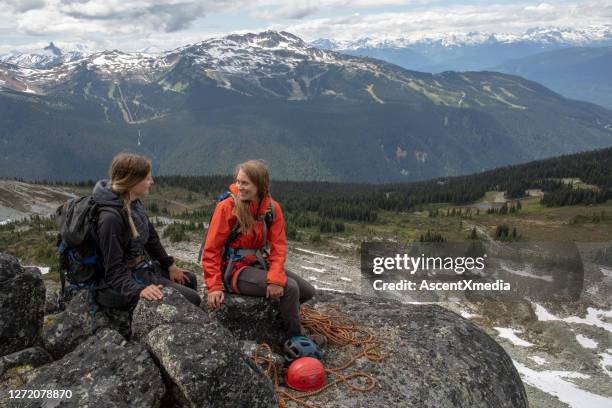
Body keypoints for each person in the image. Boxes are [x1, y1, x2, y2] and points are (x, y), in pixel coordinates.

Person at [202, 160, 315, 339]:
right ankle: (294, 338)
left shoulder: (271, 208)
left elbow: (279, 246)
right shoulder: (227, 207)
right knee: (291, 289)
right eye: (238, 181)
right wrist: (214, 286)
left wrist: (275, 278)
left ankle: (279, 317)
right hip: (233, 269)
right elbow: (211, 250)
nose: (239, 186)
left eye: (245, 183)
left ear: (260, 185)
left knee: (308, 291)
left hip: (258, 262)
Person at [92, 153, 201, 307]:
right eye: (147, 178)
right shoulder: (110, 218)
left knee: (189, 279)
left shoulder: (134, 203)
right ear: (133, 181)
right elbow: (113, 270)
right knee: (192, 299)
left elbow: (151, 240)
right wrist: (139, 290)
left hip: (141, 269)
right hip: (122, 282)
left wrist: (169, 265)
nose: (152, 181)